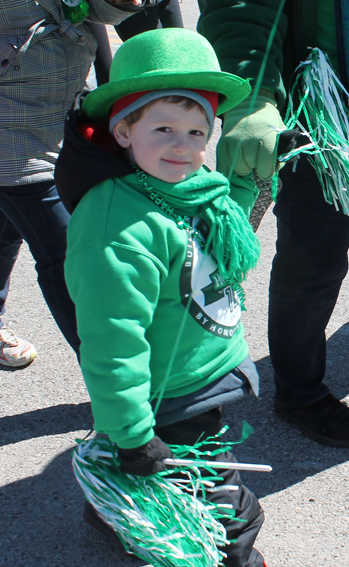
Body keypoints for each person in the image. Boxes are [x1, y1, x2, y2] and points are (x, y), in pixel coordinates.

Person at [57, 28, 267, 567]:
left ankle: (112, 513)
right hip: (168, 397)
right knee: (227, 509)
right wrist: (132, 435)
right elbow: (111, 341)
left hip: (205, 373)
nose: (185, 146)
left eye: (198, 130)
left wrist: (254, 181)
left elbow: (223, 246)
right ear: (123, 130)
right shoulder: (116, 228)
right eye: (164, 127)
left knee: (182, 482)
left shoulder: (189, 187)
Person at [196, 0, 349, 446]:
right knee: (314, 260)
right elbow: (240, 2)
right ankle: (299, 392)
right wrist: (254, 96)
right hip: (327, 97)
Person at [0, 0, 168, 367]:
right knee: (67, 250)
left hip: (54, 105)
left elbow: (87, 6)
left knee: (2, 222)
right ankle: (119, 381)